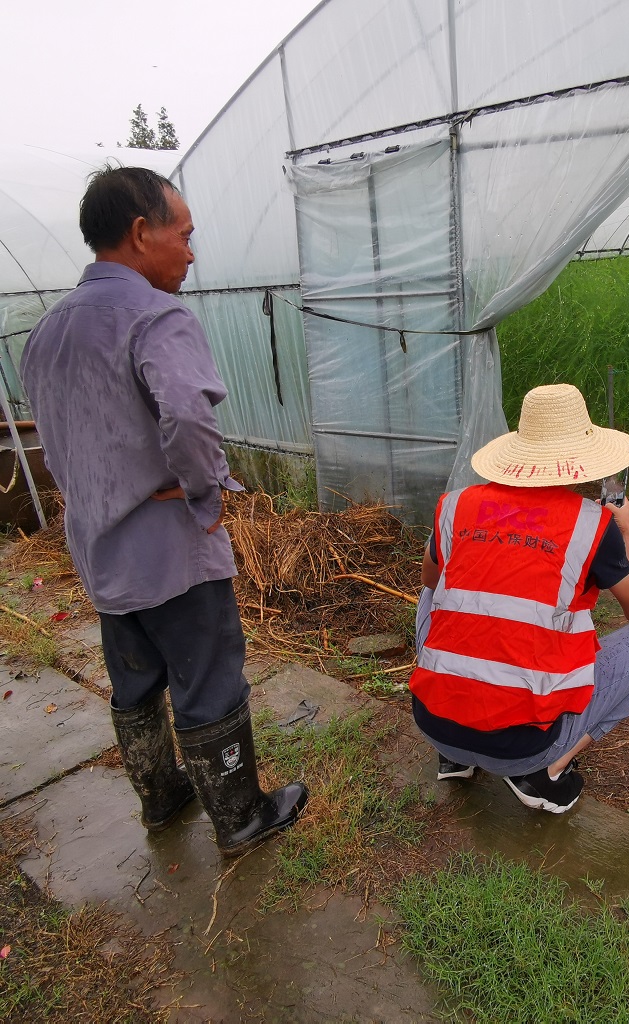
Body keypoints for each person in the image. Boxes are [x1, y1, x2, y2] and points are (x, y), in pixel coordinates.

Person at [19, 165, 307, 857]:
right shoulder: (154, 314)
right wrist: (203, 490)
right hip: (168, 550)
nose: (191, 251)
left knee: (136, 681)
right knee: (207, 674)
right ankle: (240, 816)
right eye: (184, 234)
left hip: (99, 550)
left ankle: (160, 796)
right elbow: (187, 416)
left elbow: (56, 443)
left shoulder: (47, 330)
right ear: (141, 232)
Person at [408, 382, 629, 814]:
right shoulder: (592, 525)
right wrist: (627, 528)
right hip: (524, 746)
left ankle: (455, 756)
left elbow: (431, 582)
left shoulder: (454, 505)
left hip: (435, 723)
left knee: (432, 596)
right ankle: (544, 771)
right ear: (581, 459)